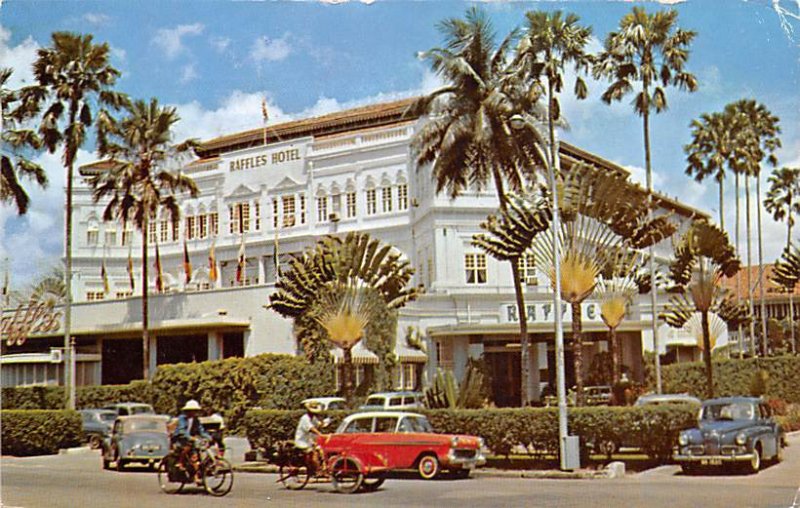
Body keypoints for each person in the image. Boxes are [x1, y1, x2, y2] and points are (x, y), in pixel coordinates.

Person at [172, 399, 211, 483]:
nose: (194, 413)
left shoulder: (196, 420)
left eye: (195, 411)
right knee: (187, 447)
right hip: (180, 439)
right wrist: (189, 437)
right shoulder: (182, 418)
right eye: (192, 411)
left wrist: (208, 437)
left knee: (196, 457)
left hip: (191, 440)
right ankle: (180, 462)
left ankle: (197, 476)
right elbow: (181, 430)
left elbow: (201, 430)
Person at [294, 401, 328, 471]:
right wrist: (319, 434)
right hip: (302, 441)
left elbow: (318, 425)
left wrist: (323, 422)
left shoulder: (313, 418)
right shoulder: (305, 418)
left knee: (322, 451)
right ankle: (316, 469)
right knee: (313, 453)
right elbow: (311, 429)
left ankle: (323, 467)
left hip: (310, 441)